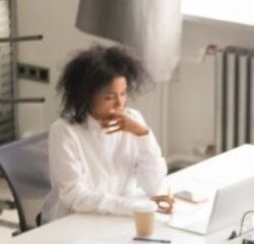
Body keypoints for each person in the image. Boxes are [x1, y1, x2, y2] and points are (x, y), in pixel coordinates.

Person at [40, 45, 174, 224]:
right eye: (109, 97)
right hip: (74, 222)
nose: (120, 103)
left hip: (118, 219)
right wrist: (133, 206)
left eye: (123, 93)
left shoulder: (133, 120)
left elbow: (154, 184)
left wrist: (143, 134)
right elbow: (74, 197)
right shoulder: (65, 131)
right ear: (86, 97)